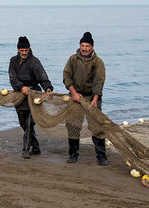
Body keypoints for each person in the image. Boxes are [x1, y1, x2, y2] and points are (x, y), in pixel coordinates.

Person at [63, 32, 108, 165]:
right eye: (82, 45)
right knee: (73, 125)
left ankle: (101, 156)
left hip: (92, 97)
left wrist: (95, 99)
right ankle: (73, 154)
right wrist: (74, 93)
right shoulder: (72, 59)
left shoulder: (98, 62)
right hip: (75, 96)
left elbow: (99, 81)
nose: (84, 48)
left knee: (97, 126)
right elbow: (66, 76)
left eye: (87, 46)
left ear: (92, 47)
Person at [8, 36, 54, 159]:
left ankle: (25, 150)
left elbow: (42, 77)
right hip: (19, 95)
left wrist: (48, 88)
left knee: (29, 123)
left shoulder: (35, 61)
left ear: (29, 49)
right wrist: (21, 87)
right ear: (18, 49)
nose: (24, 53)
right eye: (22, 50)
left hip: (34, 95)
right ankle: (36, 146)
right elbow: (12, 78)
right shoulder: (13, 61)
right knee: (23, 123)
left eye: (26, 50)